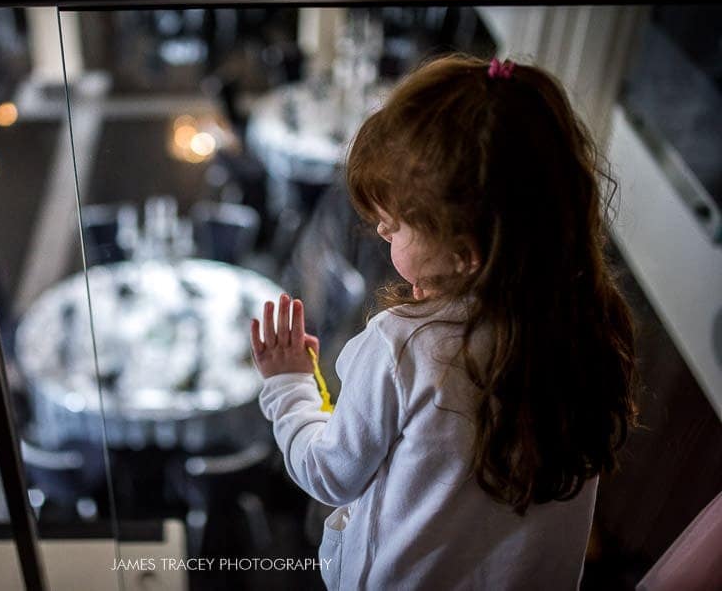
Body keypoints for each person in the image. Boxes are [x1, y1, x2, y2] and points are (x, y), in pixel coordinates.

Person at [249, 53, 638, 590]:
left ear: (466, 251)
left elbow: (330, 473)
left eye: (396, 224)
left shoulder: (402, 348)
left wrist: (289, 384)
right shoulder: (589, 326)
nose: (382, 233)